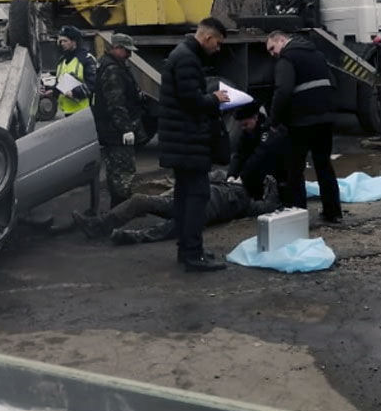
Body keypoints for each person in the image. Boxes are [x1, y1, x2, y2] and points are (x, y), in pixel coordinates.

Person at [158, 17, 231, 271]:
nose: (218, 49)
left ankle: (188, 249)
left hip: (182, 141)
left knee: (185, 195)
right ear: (208, 38)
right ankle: (192, 254)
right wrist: (215, 98)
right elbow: (191, 100)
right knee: (197, 196)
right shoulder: (187, 59)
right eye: (218, 43)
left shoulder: (183, 54)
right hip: (188, 141)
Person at [74, 171, 280, 244]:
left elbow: (267, 207)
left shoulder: (244, 202)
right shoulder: (223, 178)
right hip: (184, 200)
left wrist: (272, 187)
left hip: (198, 212)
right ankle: (99, 225)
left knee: (167, 229)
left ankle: (129, 237)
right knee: (139, 200)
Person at [266, 30, 342, 223]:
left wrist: (274, 121)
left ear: (281, 40)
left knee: (295, 169)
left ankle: (298, 215)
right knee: (324, 165)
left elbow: (282, 91)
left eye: (272, 48)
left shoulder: (287, 58)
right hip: (325, 118)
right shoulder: (317, 55)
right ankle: (333, 213)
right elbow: (333, 83)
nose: (272, 54)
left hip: (301, 122)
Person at [90, 32, 145, 209]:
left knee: (117, 171)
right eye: (127, 50)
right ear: (117, 48)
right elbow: (116, 103)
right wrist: (125, 129)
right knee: (122, 172)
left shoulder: (113, 65)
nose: (129, 54)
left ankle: (121, 208)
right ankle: (121, 211)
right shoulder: (113, 69)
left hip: (111, 129)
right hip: (115, 131)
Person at [227, 102, 286, 201]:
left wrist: (242, 177)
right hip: (256, 173)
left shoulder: (269, 129)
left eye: (246, 124)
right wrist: (231, 175)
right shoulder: (246, 133)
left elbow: (260, 154)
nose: (243, 128)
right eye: (241, 126)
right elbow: (239, 154)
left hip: (277, 172)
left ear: (255, 117)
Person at [53, 25, 92, 116]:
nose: (62, 43)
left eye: (65, 41)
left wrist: (74, 93)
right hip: (67, 111)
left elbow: (93, 84)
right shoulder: (62, 60)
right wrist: (52, 91)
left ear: (74, 42)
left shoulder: (86, 59)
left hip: (83, 112)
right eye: (60, 41)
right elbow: (60, 83)